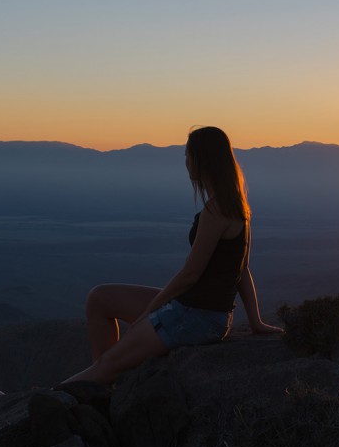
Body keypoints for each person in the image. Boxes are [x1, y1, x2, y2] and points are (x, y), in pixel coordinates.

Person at [60, 126, 282, 386]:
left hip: (198, 317)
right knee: (99, 298)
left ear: (202, 159)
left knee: (107, 365)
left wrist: (151, 311)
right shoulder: (235, 206)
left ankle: (62, 391)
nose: (185, 162)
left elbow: (190, 275)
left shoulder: (216, 211)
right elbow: (241, 269)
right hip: (196, 308)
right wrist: (255, 321)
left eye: (188, 155)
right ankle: (104, 381)